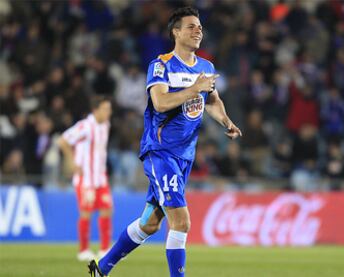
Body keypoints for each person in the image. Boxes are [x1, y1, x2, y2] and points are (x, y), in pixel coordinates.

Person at [88, 6, 242, 277]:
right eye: (191, 26)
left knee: (150, 224)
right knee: (181, 221)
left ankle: (101, 269)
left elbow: (212, 102)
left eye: (200, 27)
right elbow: (159, 103)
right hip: (160, 152)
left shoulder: (206, 67)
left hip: (185, 155)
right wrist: (194, 87)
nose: (198, 31)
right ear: (176, 32)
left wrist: (226, 122)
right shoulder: (161, 64)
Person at [58, 96, 113, 261]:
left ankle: (104, 249)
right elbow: (63, 141)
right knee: (86, 213)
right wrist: (72, 161)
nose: (108, 112)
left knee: (107, 209)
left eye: (109, 109)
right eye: (105, 109)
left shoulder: (106, 125)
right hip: (86, 178)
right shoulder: (85, 126)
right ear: (95, 110)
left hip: (100, 177)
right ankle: (83, 250)